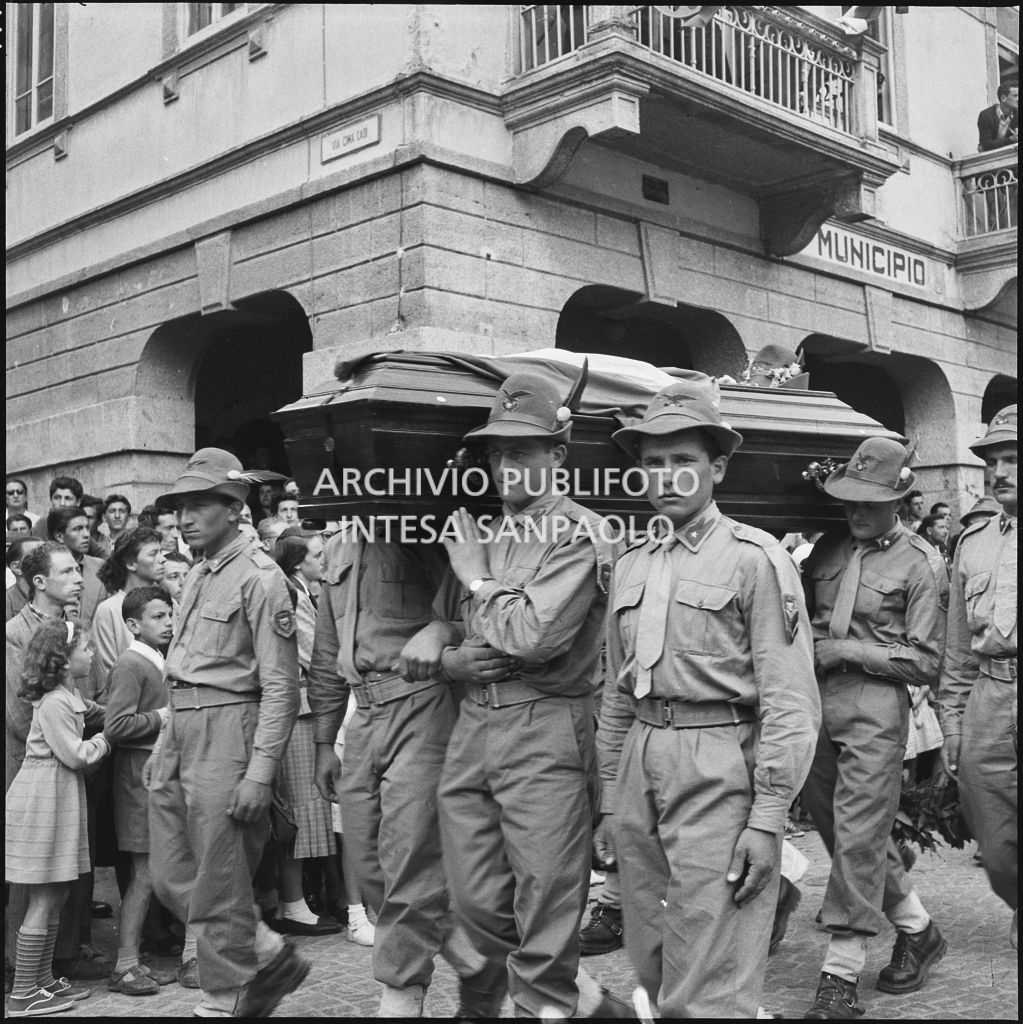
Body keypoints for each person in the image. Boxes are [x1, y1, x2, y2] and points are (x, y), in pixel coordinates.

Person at [596, 376, 820, 1017]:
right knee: (652, 950)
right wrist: (611, 799)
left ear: (717, 467)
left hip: (719, 759)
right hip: (643, 756)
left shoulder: (757, 559)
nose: (667, 476)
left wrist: (768, 818)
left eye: (684, 461)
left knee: (707, 974)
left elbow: (790, 701)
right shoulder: (632, 562)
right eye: (653, 462)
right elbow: (617, 689)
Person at [434, 370, 623, 1020]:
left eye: (520, 449)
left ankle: (548, 1004)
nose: (503, 462)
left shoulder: (583, 534)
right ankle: (592, 1005)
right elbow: (451, 634)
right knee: (474, 901)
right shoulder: (482, 533)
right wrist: (456, 660)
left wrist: (479, 580)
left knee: (544, 901)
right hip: (474, 729)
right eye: (495, 450)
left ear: (558, 456)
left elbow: (533, 635)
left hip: (546, 730)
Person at [307, 518, 500, 1018]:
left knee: (411, 864)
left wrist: (443, 631)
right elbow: (328, 648)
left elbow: (481, 611)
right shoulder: (338, 544)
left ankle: (399, 999)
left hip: (423, 703)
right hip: (363, 714)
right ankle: (479, 962)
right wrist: (324, 739)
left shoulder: (428, 527)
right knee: (370, 868)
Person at [147, 447, 309, 1018]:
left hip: (230, 731)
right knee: (169, 872)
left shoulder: (263, 579)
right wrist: (168, 740)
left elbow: (282, 688)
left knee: (218, 877)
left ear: (234, 505)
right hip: (183, 727)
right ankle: (265, 948)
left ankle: (225, 999)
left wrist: (260, 773)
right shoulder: (195, 571)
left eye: (198, 505)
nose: (185, 518)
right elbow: (183, 665)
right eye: (180, 507)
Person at [801, 437, 949, 1018]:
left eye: (868, 502)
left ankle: (840, 974)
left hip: (874, 706)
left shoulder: (920, 562)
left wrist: (842, 649)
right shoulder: (827, 548)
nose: (856, 511)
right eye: (848, 501)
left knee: (860, 829)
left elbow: (924, 660)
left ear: (898, 500)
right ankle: (917, 928)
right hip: (814, 703)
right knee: (841, 830)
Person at [939, 405, 1017, 949]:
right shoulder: (974, 542)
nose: (1000, 472)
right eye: (993, 461)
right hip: (989, 694)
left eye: (1013, 459)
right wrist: (952, 721)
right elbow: (958, 649)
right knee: (992, 833)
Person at [5, 617, 109, 1017]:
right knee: (45, 897)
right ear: (64, 660)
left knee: (57, 892)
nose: (92, 653)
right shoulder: (55, 702)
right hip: (44, 798)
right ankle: (23, 994)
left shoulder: (68, 694)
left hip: (57, 796)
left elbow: (93, 710)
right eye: (85, 648)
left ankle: (41, 980)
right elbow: (76, 754)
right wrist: (107, 739)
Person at [104, 587, 180, 995]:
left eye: (169, 615)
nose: (167, 623)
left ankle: (166, 957)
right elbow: (116, 726)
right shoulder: (131, 663)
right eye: (157, 617)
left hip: (161, 774)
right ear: (133, 625)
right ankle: (125, 965)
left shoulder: (159, 659)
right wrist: (161, 716)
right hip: (137, 777)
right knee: (144, 874)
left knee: (162, 871)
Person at [265, 535, 339, 938]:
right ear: (296, 563)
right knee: (298, 810)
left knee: (301, 811)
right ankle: (292, 903)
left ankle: (294, 901)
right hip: (299, 710)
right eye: (315, 554)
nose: (322, 559)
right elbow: (315, 652)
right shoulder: (292, 597)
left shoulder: (299, 591)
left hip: (299, 708)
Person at [92, 529, 168, 696]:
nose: (162, 559)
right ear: (131, 563)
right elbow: (108, 672)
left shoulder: (171, 604)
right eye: (153, 554)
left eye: (161, 552)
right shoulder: (109, 609)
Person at [47, 508, 106, 627]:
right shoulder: (45, 569)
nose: (86, 535)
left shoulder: (101, 567)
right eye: (77, 529)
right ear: (59, 536)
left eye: (87, 528)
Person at [30, 477, 85, 541]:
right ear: (51, 499)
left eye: (67, 498)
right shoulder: (42, 525)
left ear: (78, 502)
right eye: (57, 498)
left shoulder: (82, 524)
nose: (62, 503)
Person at [6, 538, 44, 622]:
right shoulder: (7, 604)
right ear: (17, 568)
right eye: (37, 555)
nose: (48, 560)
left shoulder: (57, 596)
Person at [978, 82, 1019, 151]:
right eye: (1015, 96)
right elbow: (986, 145)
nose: (1018, 99)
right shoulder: (986, 115)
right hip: (990, 157)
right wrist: (1011, 139)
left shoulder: (1017, 114)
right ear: (1003, 98)